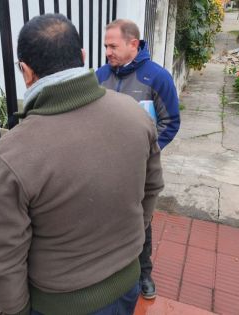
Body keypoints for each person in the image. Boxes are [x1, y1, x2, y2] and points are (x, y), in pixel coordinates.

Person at [0, 14, 164, 315]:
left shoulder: (13, 153)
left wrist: (17, 311)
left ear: (25, 71)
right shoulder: (135, 115)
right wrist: (128, 244)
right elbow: (152, 188)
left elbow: (2, 254)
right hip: (127, 283)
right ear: (82, 56)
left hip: (59, 305)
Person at [96, 19, 180, 299]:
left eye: (112, 46)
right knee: (105, 218)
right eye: (105, 46)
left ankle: (143, 274)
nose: (107, 52)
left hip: (140, 169)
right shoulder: (100, 76)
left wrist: (147, 152)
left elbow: (170, 121)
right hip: (104, 166)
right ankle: (108, 271)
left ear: (134, 43)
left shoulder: (157, 77)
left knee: (140, 222)